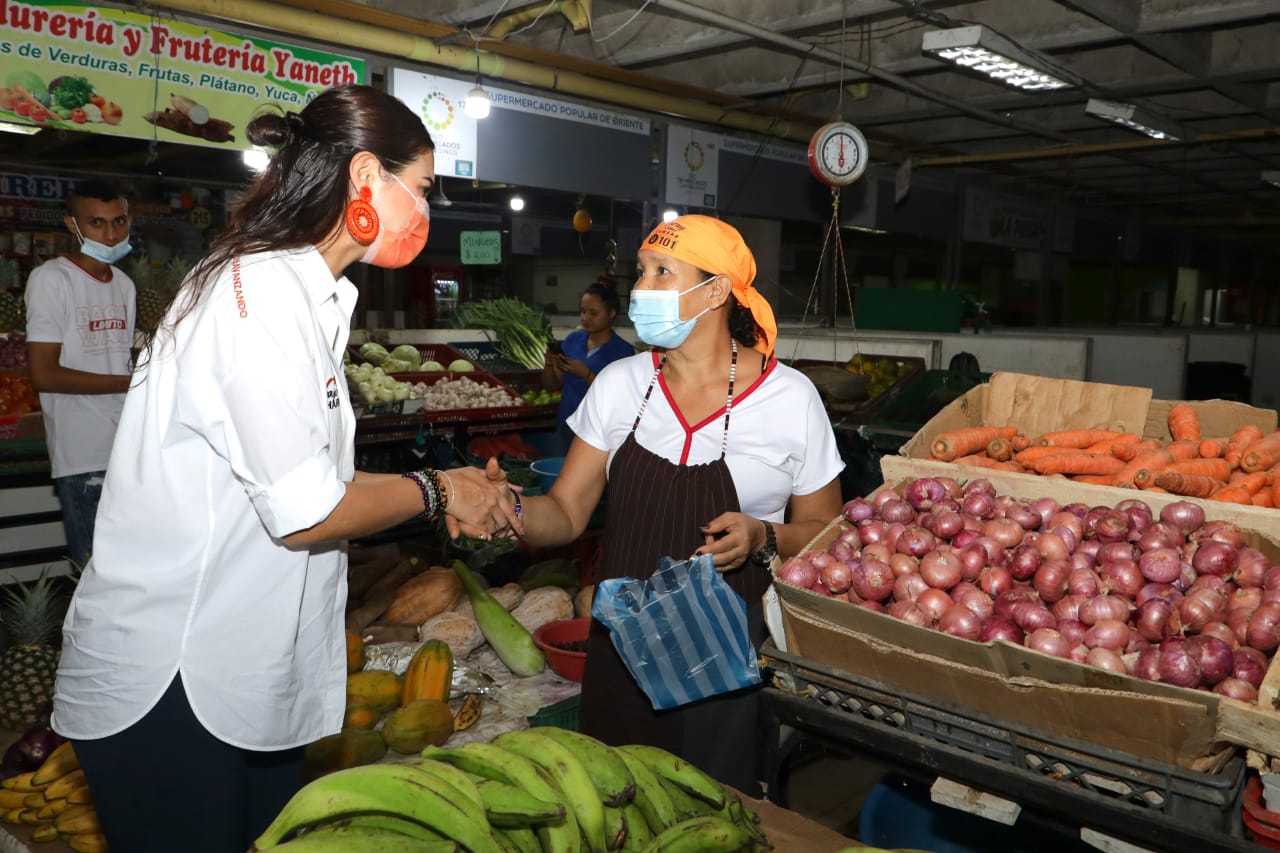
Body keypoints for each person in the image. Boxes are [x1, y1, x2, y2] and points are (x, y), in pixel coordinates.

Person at [50, 85, 517, 853]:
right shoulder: (255, 297)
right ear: (367, 175)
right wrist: (438, 489)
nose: (424, 214)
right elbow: (306, 510)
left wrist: (447, 493)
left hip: (244, 673)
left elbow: (309, 480)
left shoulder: (306, 297)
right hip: (178, 679)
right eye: (423, 190)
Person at [508, 215, 844, 793]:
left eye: (663, 272)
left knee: (716, 810)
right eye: (641, 273)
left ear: (714, 290)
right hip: (623, 649)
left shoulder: (790, 398)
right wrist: (505, 508)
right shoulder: (619, 383)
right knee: (619, 802)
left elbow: (826, 532)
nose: (642, 288)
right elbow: (563, 514)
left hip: (726, 657)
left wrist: (764, 536)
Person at [24, 179, 136, 569]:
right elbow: (44, 374)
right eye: (96, 223)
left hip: (127, 451)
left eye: (118, 221)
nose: (110, 234)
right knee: (95, 577)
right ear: (71, 224)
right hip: (82, 457)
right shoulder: (51, 280)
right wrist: (132, 383)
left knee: (129, 575)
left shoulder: (124, 285)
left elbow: (120, 361)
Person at [540, 276, 634, 455]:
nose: (585, 318)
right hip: (566, 426)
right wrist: (550, 364)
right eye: (582, 311)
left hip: (598, 435)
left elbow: (619, 398)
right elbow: (552, 385)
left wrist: (587, 375)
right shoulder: (573, 340)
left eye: (593, 313)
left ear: (611, 313)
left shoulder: (623, 352)